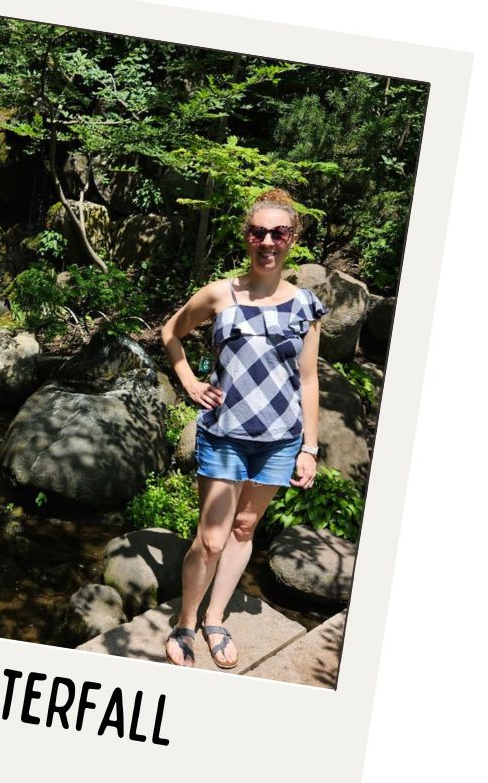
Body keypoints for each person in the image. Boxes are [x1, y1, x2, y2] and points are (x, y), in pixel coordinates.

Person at [160, 188, 328, 669]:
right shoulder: (220, 294)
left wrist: (309, 447)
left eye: (279, 233)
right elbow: (172, 331)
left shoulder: (305, 306)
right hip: (224, 434)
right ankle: (185, 623)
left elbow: (308, 379)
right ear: (246, 236)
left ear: (292, 239)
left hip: (279, 441)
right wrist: (190, 380)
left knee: (245, 527)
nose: (268, 242)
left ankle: (215, 619)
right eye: (259, 232)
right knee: (211, 538)